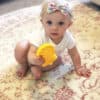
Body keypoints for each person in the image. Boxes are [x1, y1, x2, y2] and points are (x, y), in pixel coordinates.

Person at [15, 0, 91, 80]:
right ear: (42, 23)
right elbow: (31, 53)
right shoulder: (41, 36)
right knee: (21, 47)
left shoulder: (68, 38)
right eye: (49, 22)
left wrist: (78, 67)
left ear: (68, 25)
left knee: (58, 61)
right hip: (30, 53)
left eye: (61, 23)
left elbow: (74, 54)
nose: (54, 28)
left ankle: (35, 67)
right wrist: (34, 59)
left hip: (45, 59)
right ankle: (24, 65)